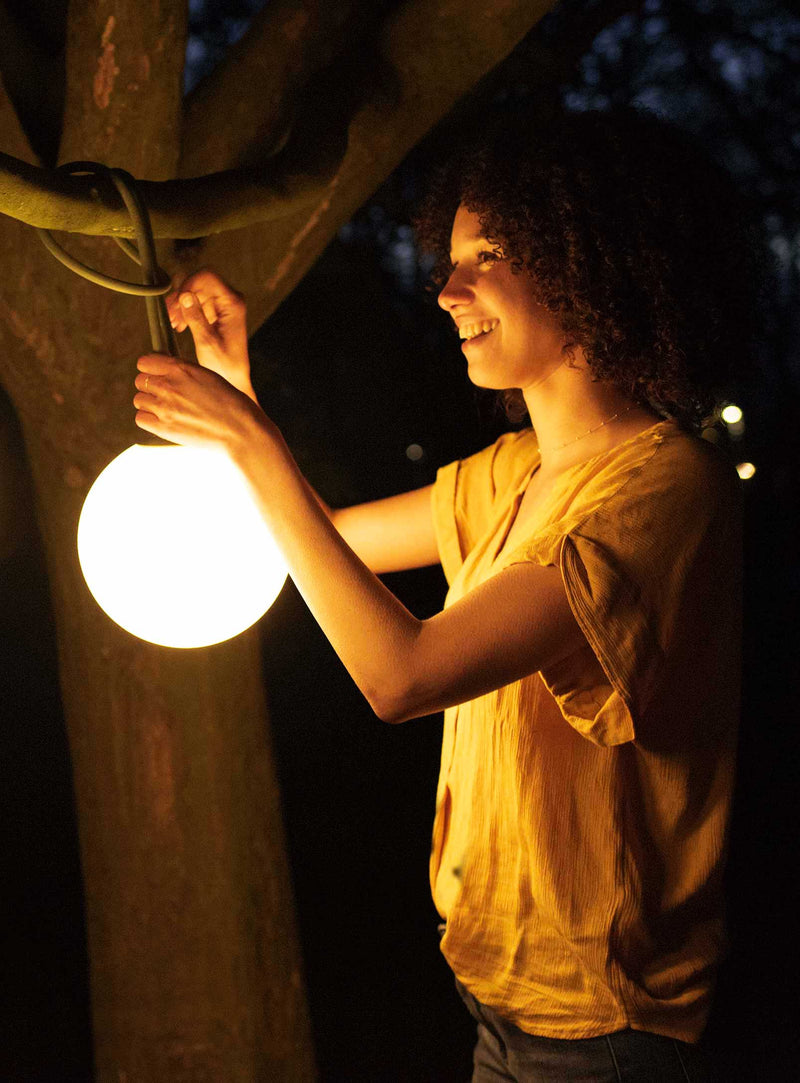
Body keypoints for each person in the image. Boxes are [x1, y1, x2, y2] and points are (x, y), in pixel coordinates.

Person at [133, 109, 754, 1082]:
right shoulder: (507, 474)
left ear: (585, 261)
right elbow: (317, 546)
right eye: (449, 257)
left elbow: (402, 675)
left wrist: (252, 445)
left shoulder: (664, 492)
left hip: (606, 1031)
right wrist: (235, 391)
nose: (446, 289)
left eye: (489, 254)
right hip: (498, 1002)